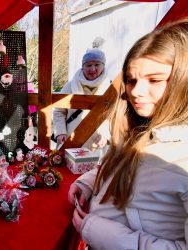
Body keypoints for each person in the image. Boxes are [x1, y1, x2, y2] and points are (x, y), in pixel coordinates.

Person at [68, 20, 188, 249]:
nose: (136, 92)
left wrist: (104, 234)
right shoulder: (137, 125)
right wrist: (88, 182)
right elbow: (118, 168)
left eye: (154, 80)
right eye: (131, 80)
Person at [53, 38, 111, 151]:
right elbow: (59, 112)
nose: (92, 69)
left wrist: (106, 134)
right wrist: (60, 132)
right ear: (83, 67)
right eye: (88, 65)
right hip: (70, 139)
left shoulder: (110, 88)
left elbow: (114, 117)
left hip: (97, 143)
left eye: (97, 64)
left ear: (103, 66)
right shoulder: (69, 86)